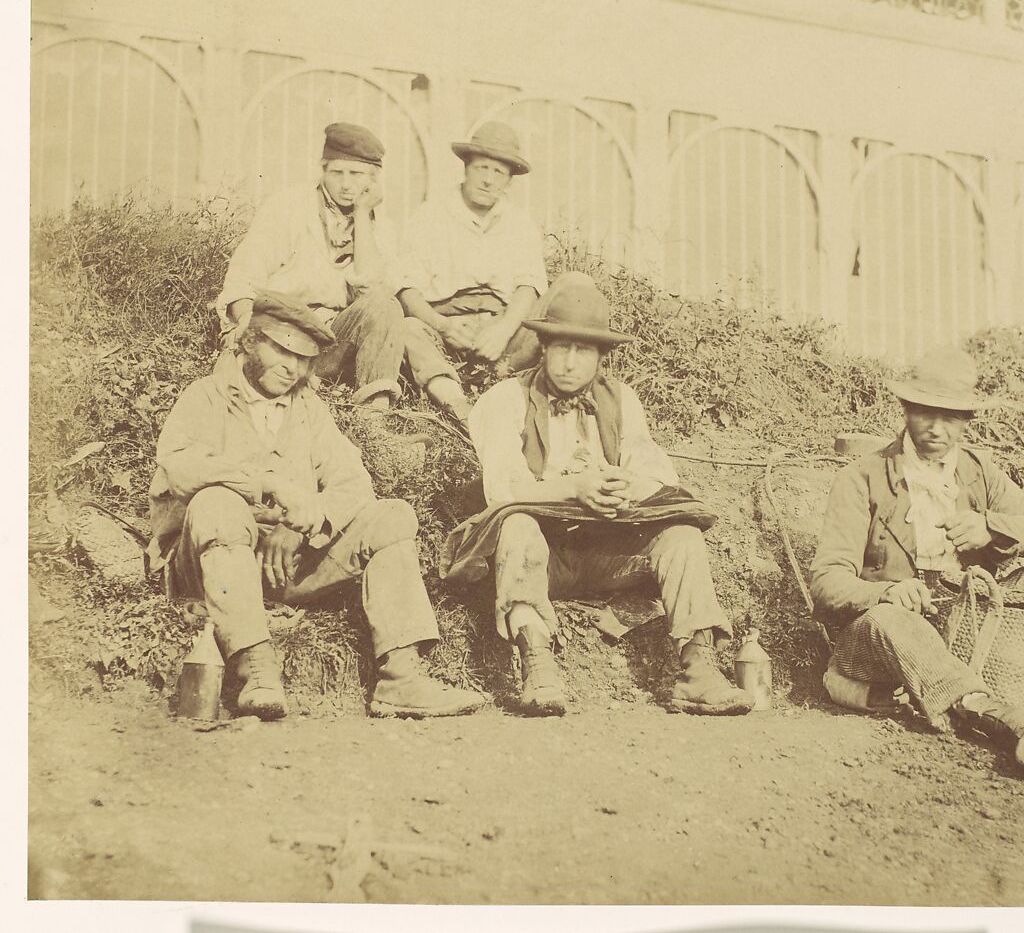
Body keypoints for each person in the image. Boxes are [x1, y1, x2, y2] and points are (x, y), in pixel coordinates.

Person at [810, 349, 1024, 776]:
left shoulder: (977, 472)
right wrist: (886, 590)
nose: (937, 428)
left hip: (968, 627)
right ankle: (1001, 720)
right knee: (891, 619)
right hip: (883, 638)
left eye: (951, 416)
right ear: (905, 410)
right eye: (924, 412)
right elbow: (827, 582)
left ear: (967, 420)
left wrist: (992, 528)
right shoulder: (861, 478)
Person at [147, 292, 485, 720]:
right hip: (211, 563)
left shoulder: (308, 409)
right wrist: (264, 482)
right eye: (281, 350)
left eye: (304, 358)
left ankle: (401, 677)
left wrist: (303, 524)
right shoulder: (206, 397)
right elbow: (180, 469)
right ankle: (257, 669)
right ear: (250, 341)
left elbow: (354, 484)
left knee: (393, 515)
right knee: (216, 502)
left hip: (285, 564)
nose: (292, 367)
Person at [440, 272, 755, 718]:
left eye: (583, 350)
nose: (570, 362)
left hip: (607, 555)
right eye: (561, 348)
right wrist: (573, 488)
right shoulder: (504, 400)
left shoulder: (622, 400)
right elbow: (504, 489)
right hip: (542, 557)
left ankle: (699, 668)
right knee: (516, 523)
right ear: (543, 348)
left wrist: (626, 486)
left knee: (682, 534)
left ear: (601, 356)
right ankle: (537, 664)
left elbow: (657, 475)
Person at [215, 122, 471, 421]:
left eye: (357, 174)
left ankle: (375, 414)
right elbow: (243, 277)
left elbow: (372, 291)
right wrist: (246, 320)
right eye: (337, 173)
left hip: (330, 339)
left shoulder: (381, 228)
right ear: (323, 170)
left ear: (374, 180)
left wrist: (362, 215)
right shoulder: (288, 207)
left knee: (385, 303)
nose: (346, 185)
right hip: (279, 333)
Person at [395, 120, 557, 378]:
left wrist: (503, 330)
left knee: (570, 291)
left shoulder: (520, 223)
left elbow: (529, 285)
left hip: (503, 331)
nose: (488, 181)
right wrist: (443, 325)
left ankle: (505, 373)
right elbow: (406, 289)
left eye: (498, 173)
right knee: (407, 329)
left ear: (509, 181)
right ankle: (452, 395)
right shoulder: (429, 216)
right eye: (482, 168)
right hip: (446, 330)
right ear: (466, 168)